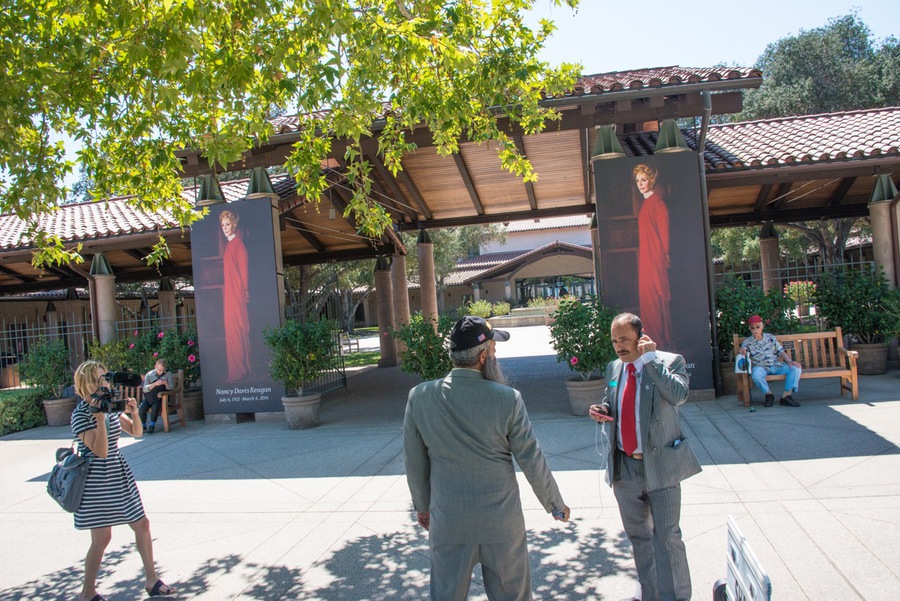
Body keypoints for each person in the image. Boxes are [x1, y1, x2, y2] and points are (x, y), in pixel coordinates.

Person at [404, 316, 570, 601]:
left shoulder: (420, 397)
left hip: (449, 520)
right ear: (483, 357)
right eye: (493, 350)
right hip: (501, 522)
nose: (494, 355)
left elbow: (414, 462)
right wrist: (555, 504)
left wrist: (422, 506)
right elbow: (532, 459)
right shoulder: (508, 399)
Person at [589, 313, 701, 601]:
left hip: (660, 466)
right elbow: (613, 397)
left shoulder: (668, 361)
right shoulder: (615, 367)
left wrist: (651, 361)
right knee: (639, 539)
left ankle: (676, 597)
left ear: (641, 337)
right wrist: (602, 409)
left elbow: (678, 396)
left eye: (624, 340)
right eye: (614, 341)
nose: (618, 347)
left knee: (667, 539)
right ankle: (650, 595)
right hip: (624, 469)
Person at [71, 360, 175, 601]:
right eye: (100, 380)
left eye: (105, 378)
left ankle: (152, 580)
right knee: (101, 539)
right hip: (95, 482)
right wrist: (99, 418)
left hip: (118, 474)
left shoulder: (110, 407)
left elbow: (136, 432)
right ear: (87, 384)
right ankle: (87, 593)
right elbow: (101, 452)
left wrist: (133, 412)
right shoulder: (80, 416)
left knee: (142, 525)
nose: (105, 383)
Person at [634, 164, 672, 350]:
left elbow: (664, 232)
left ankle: (660, 339)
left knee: (655, 296)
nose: (640, 184)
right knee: (647, 296)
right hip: (646, 257)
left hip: (655, 257)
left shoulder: (657, 202)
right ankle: (652, 337)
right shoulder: (646, 203)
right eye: (638, 181)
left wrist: (664, 255)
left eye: (644, 180)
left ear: (652, 180)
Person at [738, 315, 802, 407]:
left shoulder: (770, 337)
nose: (755, 329)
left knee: (796, 368)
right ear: (749, 328)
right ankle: (769, 394)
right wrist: (742, 350)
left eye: (758, 327)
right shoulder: (747, 342)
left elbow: (780, 351)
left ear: (762, 326)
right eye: (752, 328)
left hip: (775, 365)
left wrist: (789, 361)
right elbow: (743, 350)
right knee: (756, 375)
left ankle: (786, 396)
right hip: (760, 367)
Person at [220, 209, 251, 381]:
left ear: (234, 225)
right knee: (231, 330)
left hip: (237, 293)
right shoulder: (230, 245)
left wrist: (244, 291)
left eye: (228, 224)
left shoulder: (238, 244)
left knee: (237, 329)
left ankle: (240, 370)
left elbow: (244, 271)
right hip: (230, 293)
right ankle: (236, 370)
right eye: (223, 225)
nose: (225, 228)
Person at [139, 358, 174, 434]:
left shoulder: (168, 374)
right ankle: (143, 425)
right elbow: (144, 389)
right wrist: (155, 384)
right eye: (159, 370)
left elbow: (172, 387)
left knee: (155, 406)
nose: (161, 372)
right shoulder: (149, 374)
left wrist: (166, 384)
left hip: (161, 398)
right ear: (155, 366)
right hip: (149, 397)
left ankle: (152, 425)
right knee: (142, 408)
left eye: (163, 370)